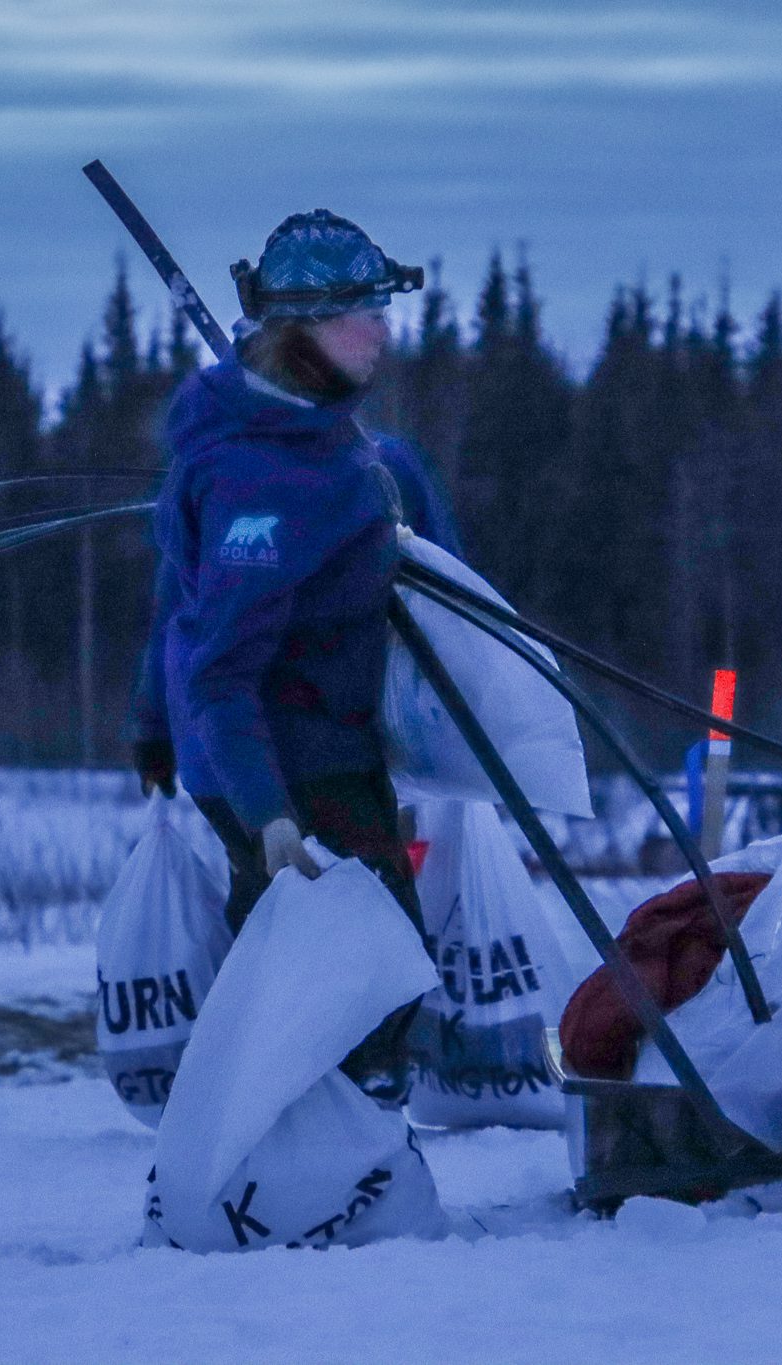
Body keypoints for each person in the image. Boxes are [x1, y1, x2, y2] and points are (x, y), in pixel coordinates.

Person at [125, 209, 457, 1103]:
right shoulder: (261, 486)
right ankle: (317, 1152)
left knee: (303, 958)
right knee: (368, 969)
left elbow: (174, 597)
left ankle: (305, 1138)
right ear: (303, 330)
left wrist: (151, 724)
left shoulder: (322, 447)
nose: (385, 332)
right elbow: (222, 666)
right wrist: (270, 816)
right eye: (366, 314)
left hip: (301, 747)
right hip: (285, 762)